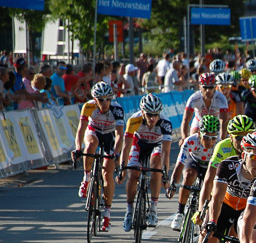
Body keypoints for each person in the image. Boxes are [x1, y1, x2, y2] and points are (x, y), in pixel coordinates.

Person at [72, 82, 125, 232]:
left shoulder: (117, 109)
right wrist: (77, 148)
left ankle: (107, 215)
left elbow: (120, 135)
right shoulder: (88, 107)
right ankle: (87, 178)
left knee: (108, 173)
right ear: (95, 100)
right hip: (93, 131)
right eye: (101, 100)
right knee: (91, 145)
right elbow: (81, 130)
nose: (105, 103)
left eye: (108, 99)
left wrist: (116, 153)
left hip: (109, 136)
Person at [117, 93, 172, 230]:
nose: (152, 118)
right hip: (139, 143)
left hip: (156, 145)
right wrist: (121, 169)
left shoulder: (166, 124)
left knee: (156, 167)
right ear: (142, 112)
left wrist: (165, 174)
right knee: (133, 173)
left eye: (155, 114)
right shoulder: (133, 120)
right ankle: (129, 211)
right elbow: (126, 146)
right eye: (149, 114)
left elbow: (166, 151)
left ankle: (153, 209)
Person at [168, 115, 220, 231]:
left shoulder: (219, 144)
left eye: (213, 138)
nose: (210, 142)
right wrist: (173, 184)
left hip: (210, 166)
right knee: (189, 175)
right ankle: (180, 213)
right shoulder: (191, 141)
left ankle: (204, 217)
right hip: (194, 162)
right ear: (199, 133)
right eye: (206, 137)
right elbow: (180, 164)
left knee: (212, 187)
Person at [181, 72, 229, 140]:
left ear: (215, 87)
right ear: (200, 86)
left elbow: (223, 121)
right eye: (205, 87)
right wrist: (184, 138)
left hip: (215, 123)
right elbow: (185, 120)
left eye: (210, 87)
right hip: (199, 121)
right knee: (193, 140)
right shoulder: (194, 98)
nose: (207, 90)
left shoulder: (221, 99)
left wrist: (222, 141)